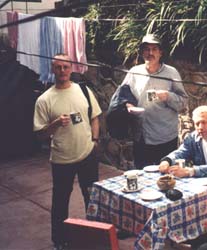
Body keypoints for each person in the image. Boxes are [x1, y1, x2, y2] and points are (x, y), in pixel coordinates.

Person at [33, 54, 102, 250]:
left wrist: (95, 141)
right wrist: (54, 125)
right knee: (60, 202)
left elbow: (95, 117)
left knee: (92, 198)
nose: (62, 71)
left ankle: (96, 235)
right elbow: (39, 135)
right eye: (58, 68)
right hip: (62, 159)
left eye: (65, 67)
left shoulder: (83, 90)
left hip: (87, 153)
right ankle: (60, 240)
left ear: (71, 68)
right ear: (52, 70)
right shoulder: (44, 99)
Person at [114, 33, 188, 169]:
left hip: (165, 137)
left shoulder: (171, 73)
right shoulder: (134, 72)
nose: (150, 53)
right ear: (142, 52)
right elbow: (122, 95)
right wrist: (128, 105)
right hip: (141, 137)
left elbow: (183, 102)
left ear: (160, 52)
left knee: (166, 178)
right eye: (147, 49)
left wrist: (168, 96)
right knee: (142, 177)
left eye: (154, 49)